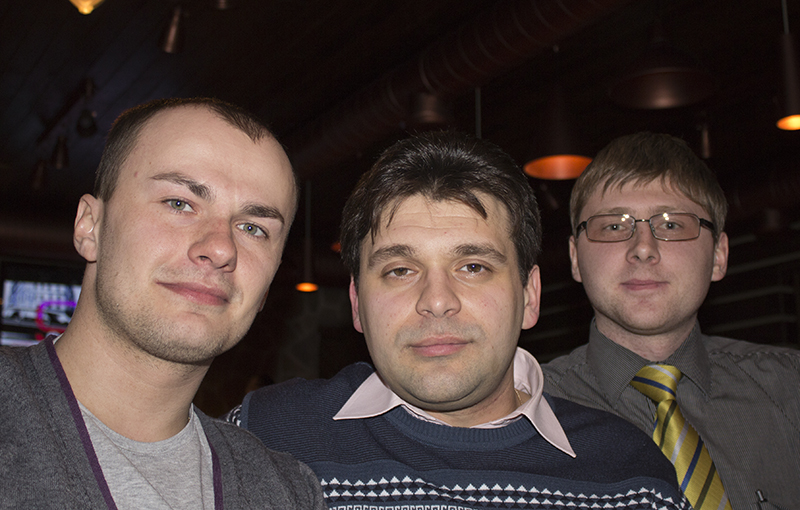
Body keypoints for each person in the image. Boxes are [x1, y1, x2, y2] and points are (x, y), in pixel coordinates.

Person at [228, 131, 690, 509]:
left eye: (473, 267)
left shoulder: (631, 479)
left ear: (529, 296)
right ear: (356, 304)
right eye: (400, 270)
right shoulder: (260, 435)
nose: (436, 301)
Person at [0, 98, 326, 509]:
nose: (221, 248)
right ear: (90, 226)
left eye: (253, 228)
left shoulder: (288, 493)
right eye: (179, 203)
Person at [542, 132, 800, 510]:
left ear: (719, 256)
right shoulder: (521, 414)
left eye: (672, 225)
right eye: (613, 226)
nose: (643, 248)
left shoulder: (790, 390)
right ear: (575, 258)